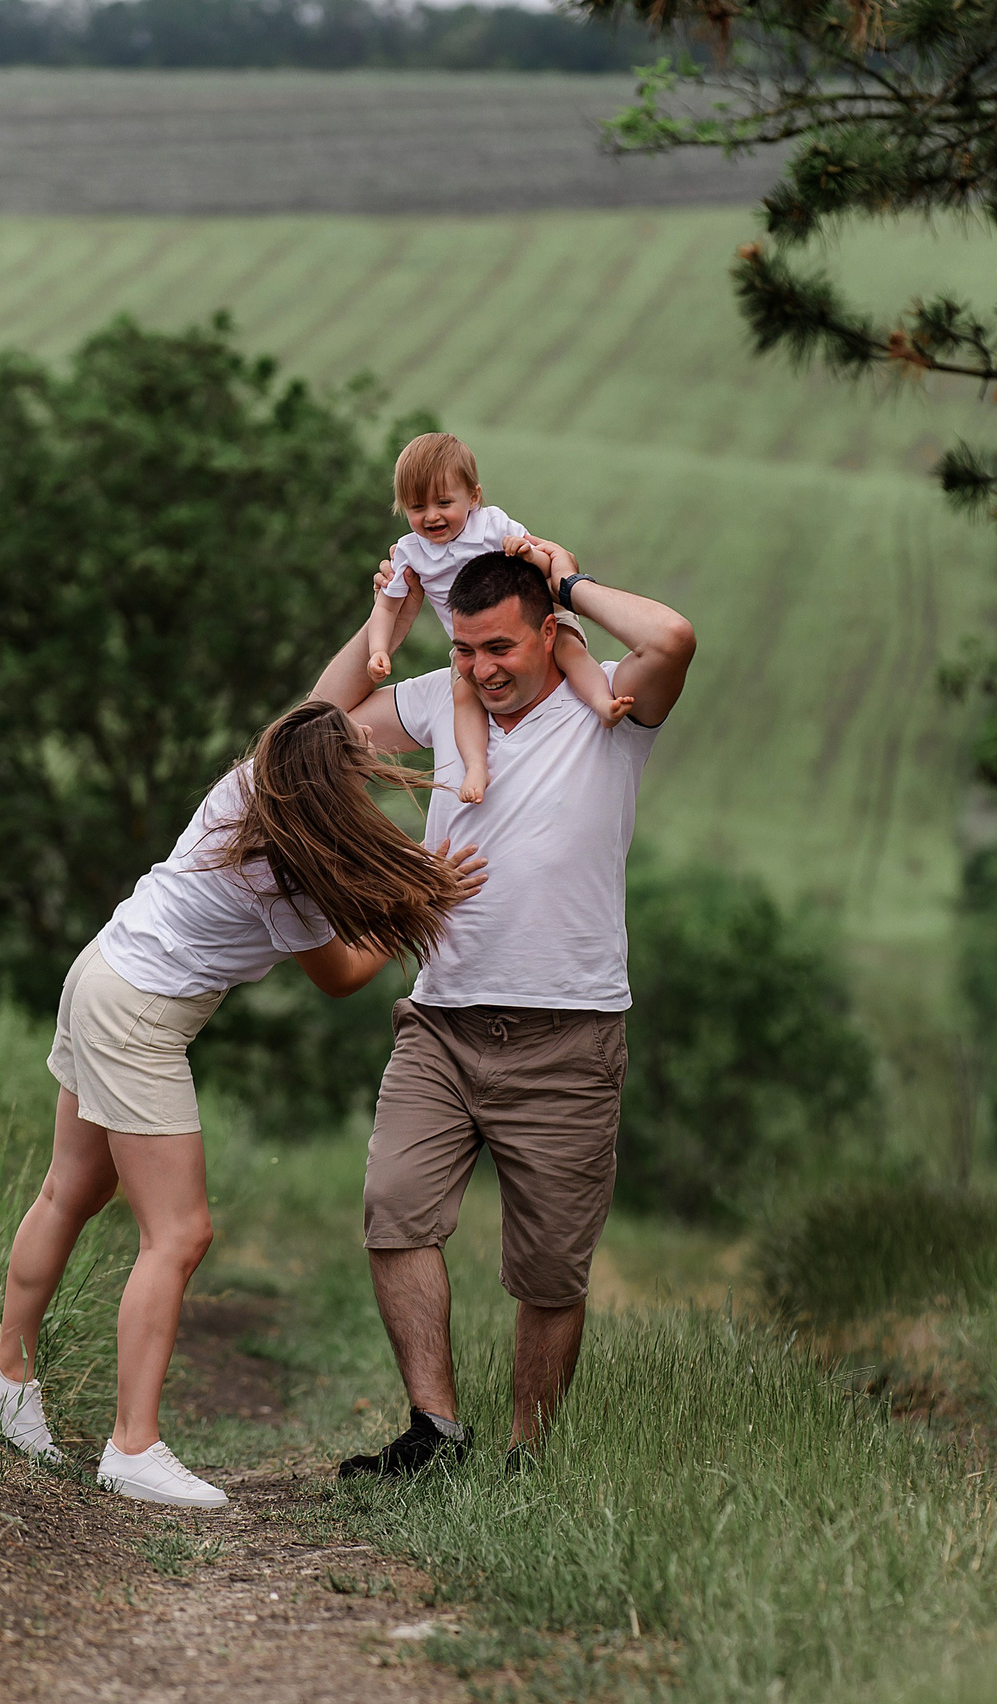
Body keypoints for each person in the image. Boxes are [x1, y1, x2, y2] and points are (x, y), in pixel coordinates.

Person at [0, 701, 484, 1507]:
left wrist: (388, 606)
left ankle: (4, 1381)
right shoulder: (288, 877)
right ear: (328, 787)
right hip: (138, 1013)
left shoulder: (251, 787)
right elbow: (341, 977)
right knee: (178, 1232)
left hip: (101, 970)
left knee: (72, 1191)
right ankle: (132, 1445)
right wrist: (425, 901)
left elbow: (325, 704)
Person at [315, 537, 696, 1475]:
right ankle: (434, 1433)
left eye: (501, 648)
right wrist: (386, 623)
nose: (482, 669)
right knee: (395, 1208)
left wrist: (567, 580)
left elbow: (676, 637)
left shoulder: (607, 705)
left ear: (549, 633)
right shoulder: (441, 704)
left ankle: (526, 1460)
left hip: (569, 1032)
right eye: (466, 649)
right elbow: (315, 729)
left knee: (551, 1268)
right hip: (440, 1023)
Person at [360, 432, 632, 804]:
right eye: (417, 507)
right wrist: (379, 650)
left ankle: (602, 702)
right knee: (462, 697)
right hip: (473, 647)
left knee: (568, 649)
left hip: (538, 616)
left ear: (473, 497)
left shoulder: (491, 524)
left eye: (443, 502)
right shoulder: (410, 551)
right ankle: (474, 766)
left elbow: (547, 560)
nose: (432, 516)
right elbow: (387, 605)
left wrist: (526, 553)